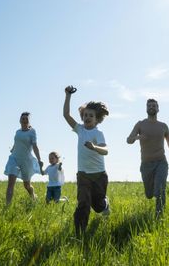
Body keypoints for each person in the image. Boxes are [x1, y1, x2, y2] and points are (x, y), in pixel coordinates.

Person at [63, 85, 110, 235]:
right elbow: (66, 115)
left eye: (91, 115)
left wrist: (94, 147)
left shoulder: (98, 133)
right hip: (83, 175)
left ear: (97, 119)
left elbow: (106, 150)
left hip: (99, 175)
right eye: (85, 115)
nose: (87, 118)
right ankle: (80, 233)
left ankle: (105, 205)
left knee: (97, 206)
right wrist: (68, 95)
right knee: (83, 203)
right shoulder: (80, 130)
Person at [127, 99, 169, 217]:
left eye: (154, 105)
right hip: (146, 164)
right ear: (146, 109)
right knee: (149, 194)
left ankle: (159, 217)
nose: (151, 107)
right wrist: (138, 137)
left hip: (161, 162)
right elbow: (129, 140)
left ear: (158, 109)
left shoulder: (163, 126)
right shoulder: (140, 124)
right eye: (149, 105)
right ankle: (152, 192)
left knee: (160, 189)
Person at [4, 112, 43, 205]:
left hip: (25, 161)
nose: (24, 120)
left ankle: (32, 195)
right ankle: (7, 205)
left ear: (29, 121)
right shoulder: (17, 132)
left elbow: (34, 146)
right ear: (20, 120)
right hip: (14, 158)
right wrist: (13, 149)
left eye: (26, 119)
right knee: (10, 183)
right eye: (23, 118)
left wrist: (39, 159)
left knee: (26, 185)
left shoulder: (32, 132)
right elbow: (16, 142)